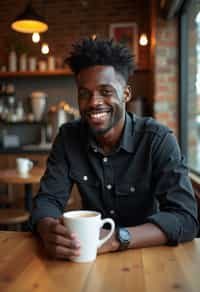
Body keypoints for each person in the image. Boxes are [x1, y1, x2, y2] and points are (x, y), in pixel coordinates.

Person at [31, 37, 199, 260]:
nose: (93, 102)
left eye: (106, 92)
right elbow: (47, 201)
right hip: (90, 258)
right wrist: (48, 230)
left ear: (126, 94)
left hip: (150, 259)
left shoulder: (157, 140)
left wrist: (117, 238)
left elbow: (186, 218)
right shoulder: (68, 137)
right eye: (84, 94)